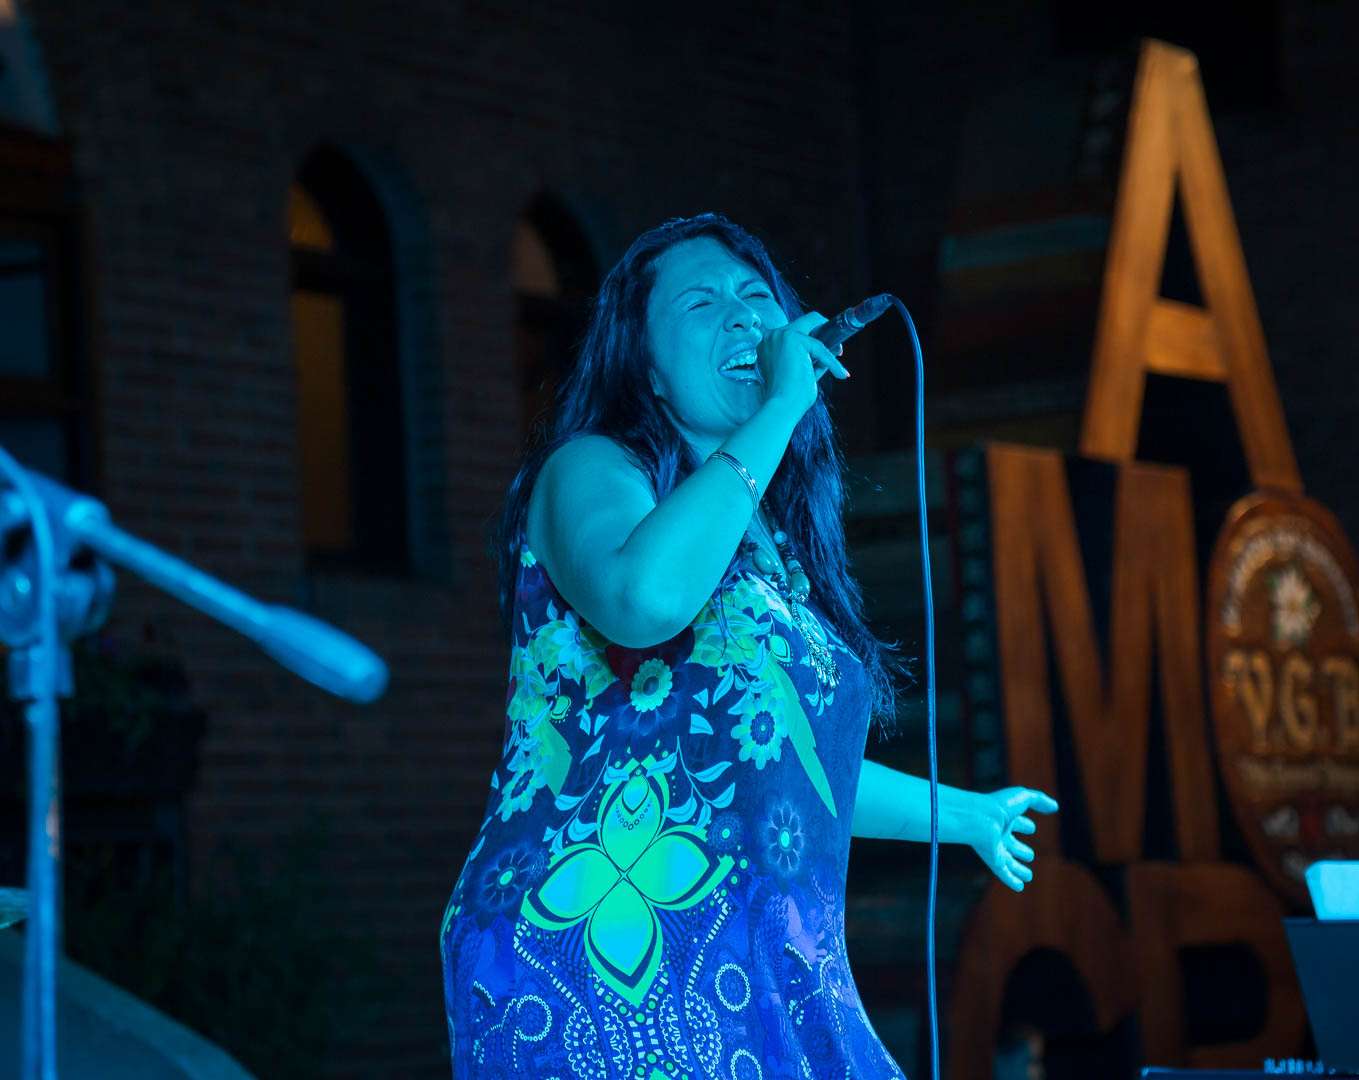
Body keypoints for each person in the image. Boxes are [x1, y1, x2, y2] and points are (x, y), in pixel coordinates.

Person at [440, 212, 1058, 1078]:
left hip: (764, 954)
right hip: (605, 943)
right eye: (700, 303)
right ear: (647, 370)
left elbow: (780, 766)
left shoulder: (768, 542)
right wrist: (776, 409)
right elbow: (643, 598)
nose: (741, 315)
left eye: (756, 295)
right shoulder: (589, 469)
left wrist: (965, 815)